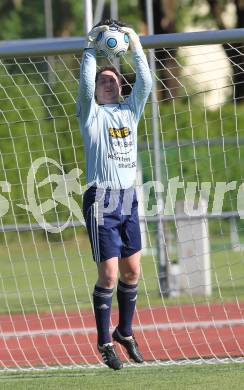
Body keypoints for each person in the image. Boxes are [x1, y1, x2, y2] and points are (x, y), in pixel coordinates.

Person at [77, 19, 152, 370]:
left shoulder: (129, 111)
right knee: (108, 274)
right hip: (101, 199)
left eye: (113, 80)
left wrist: (135, 43)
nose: (108, 84)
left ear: (122, 87)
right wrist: (91, 48)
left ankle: (124, 331)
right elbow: (85, 79)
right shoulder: (91, 115)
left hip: (128, 197)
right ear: (95, 90)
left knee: (133, 270)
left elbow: (147, 83)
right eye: (102, 82)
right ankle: (104, 341)